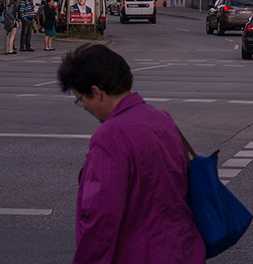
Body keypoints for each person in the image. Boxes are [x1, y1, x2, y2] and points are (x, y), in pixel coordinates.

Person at [57, 44, 206, 264]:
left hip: (140, 253)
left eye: (81, 100)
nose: (85, 108)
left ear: (96, 93)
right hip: (182, 249)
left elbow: (101, 216)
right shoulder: (161, 118)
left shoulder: (111, 135)